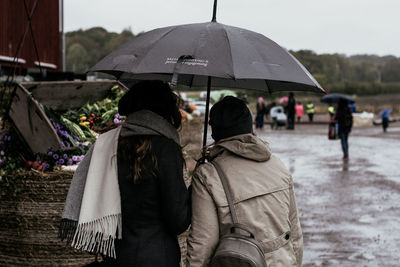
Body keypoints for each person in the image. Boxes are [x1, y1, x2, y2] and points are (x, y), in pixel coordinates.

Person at [60, 80, 191, 266]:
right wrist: (194, 191)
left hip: (115, 256)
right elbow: (178, 220)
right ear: (165, 109)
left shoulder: (106, 144)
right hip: (157, 257)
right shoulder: (166, 148)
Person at [187, 96, 303, 266]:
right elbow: (295, 234)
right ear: (250, 126)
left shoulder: (208, 175)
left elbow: (202, 246)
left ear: (214, 132)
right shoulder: (278, 165)